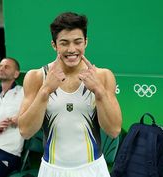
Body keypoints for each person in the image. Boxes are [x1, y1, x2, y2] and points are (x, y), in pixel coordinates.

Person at [18, 12, 122, 177]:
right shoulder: (36, 77)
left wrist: (99, 92)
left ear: (86, 42)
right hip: (51, 170)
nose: (72, 49)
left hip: (93, 169)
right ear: (54, 45)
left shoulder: (102, 76)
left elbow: (114, 130)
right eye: (64, 43)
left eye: (78, 42)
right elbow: (25, 131)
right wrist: (45, 91)